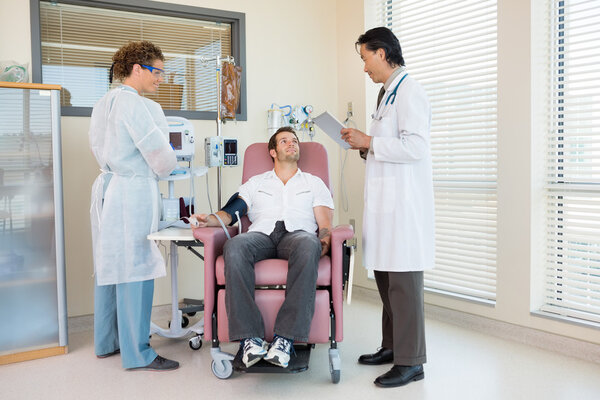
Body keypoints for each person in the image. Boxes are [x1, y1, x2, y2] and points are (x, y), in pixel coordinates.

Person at [191, 127, 334, 369]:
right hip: (261, 235)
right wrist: (210, 220)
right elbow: (231, 212)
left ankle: (285, 339)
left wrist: (323, 244)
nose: (292, 144)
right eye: (284, 141)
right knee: (235, 245)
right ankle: (250, 339)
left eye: (295, 141)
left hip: (298, 236)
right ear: (273, 151)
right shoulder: (255, 183)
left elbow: (325, 226)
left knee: (309, 244)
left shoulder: (314, 183)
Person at [340, 27, 435, 388]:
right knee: (386, 278)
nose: (364, 67)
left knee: (404, 284)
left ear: (381, 53)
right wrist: (365, 146)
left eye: (365, 58)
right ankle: (392, 346)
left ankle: (412, 362)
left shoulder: (411, 91)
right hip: (385, 204)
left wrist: (371, 141)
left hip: (405, 208)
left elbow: (415, 148)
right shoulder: (386, 94)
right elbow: (387, 146)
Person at [89, 41, 179, 371]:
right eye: (157, 72)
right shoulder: (136, 105)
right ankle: (138, 352)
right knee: (137, 269)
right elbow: (161, 156)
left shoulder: (103, 103)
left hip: (109, 190)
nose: (160, 79)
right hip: (133, 192)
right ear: (137, 69)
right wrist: (171, 164)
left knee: (110, 265)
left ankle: (108, 341)